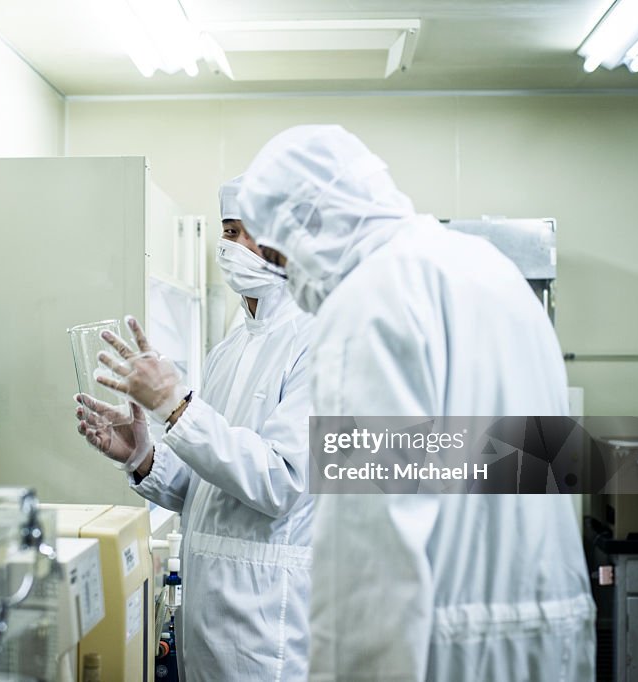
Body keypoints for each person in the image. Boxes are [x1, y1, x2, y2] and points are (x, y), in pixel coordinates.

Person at [235, 125, 596, 681]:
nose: (283, 272)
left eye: (281, 251)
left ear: (312, 223)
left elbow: (371, 546)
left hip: (441, 650)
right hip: (549, 638)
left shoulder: (370, 299)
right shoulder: (490, 270)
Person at [74, 176, 316, 681]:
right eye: (230, 232)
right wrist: (144, 456)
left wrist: (177, 409)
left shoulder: (322, 341)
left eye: (256, 233)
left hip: (269, 627)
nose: (239, 247)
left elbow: (283, 481)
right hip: (204, 627)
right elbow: (208, 489)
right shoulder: (229, 348)